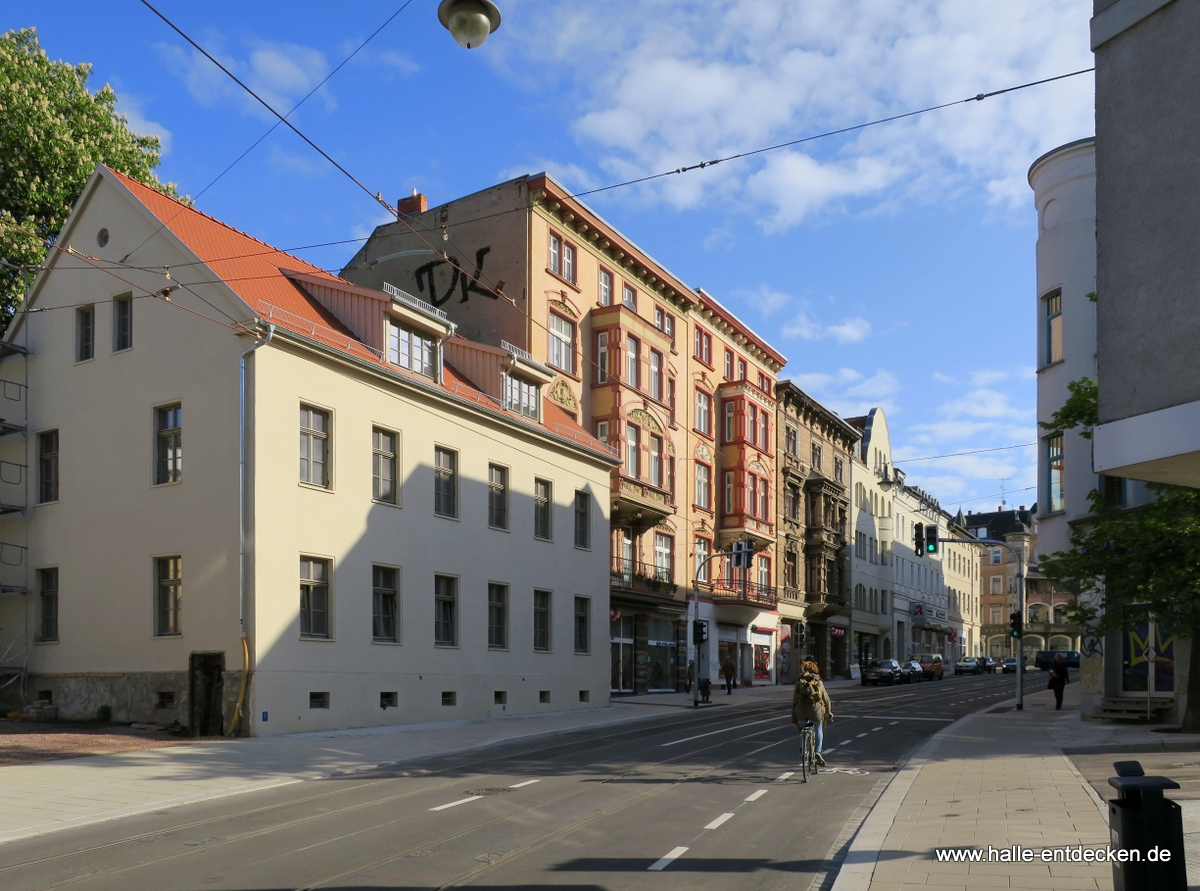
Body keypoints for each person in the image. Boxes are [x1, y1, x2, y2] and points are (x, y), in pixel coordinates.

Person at [792, 660, 834, 766]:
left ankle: (803, 749)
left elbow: (794, 701)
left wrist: (794, 719)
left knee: (802, 729)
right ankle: (818, 752)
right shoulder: (818, 681)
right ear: (815, 669)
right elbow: (826, 699)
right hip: (816, 711)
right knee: (819, 727)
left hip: (801, 711)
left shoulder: (799, 681)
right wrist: (829, 712)